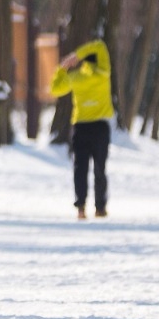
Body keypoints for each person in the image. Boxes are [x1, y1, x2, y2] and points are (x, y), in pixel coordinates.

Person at [50, 39, 114, 220]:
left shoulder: (76, 77)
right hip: (100, 127)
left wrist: (62, 67)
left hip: (80, 128)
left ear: (85, 62)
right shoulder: (104, 72)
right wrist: (76, 55)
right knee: (100, 167)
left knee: (80, 167)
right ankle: (100, 207)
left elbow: (55, 89)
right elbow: (100, 45)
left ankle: (81, 207)